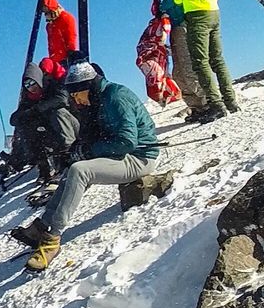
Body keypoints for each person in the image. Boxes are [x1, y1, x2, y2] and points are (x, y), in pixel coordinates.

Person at [11, 60, 160, 270]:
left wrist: (89, 152)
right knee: (75, 167)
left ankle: (52, 238)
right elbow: (94, 135)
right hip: (121, 155)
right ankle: (43, 225)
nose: (75, 99)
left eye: (76, 94)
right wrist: (77, 150)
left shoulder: (116, 96)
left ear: (87, 87)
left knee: (80, 170)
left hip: (139, 157)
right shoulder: (95, 100)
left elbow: (127, 141)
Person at [135, 0, 239, 123]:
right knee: (200, 64)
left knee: (192, 65)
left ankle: (210, 104)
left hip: (185, 19)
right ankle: (208, 105)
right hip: (200, 13)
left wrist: (165, 13)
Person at [6, 61, 82, 198]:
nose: (31, 88)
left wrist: (36, 109)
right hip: (52, 133)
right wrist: (26, 115)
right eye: (27, 85)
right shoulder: (29, 97)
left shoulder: (54, 84)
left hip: (74, 128)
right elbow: (14, 119)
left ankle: (69, 157)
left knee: (57, 112)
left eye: (33, 83)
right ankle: (44, 167)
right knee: (27, 125)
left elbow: (62, 100)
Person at [136, 7, 183, 105]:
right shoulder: (157, 28)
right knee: (159, 77)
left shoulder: (158, 27)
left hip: (154, 58)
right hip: (152, 58)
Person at [42, 0, 80, 67]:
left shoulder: (66, 17)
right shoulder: (49, 25)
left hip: (65, 58)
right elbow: (50, 45)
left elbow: (71, 36)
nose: (46, 14)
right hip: (55, 61)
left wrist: (70, 52)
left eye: (46, 10)